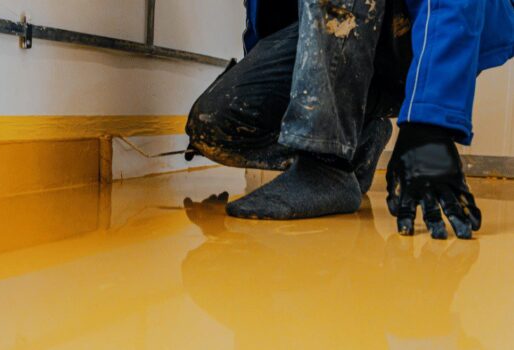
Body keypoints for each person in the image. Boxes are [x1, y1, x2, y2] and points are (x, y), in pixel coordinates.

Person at [185, 0, 514, 239]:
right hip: (336, 37)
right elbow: (270, 23)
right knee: (215, 125)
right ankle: (357, 140)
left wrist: (430, 125)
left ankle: (325, 164)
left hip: (419, 26)